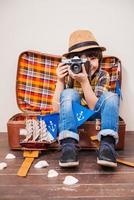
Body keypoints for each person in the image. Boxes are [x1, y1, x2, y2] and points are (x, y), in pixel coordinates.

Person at [52, 30, 119, 168]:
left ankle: (107, 146)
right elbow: (57, 110)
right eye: (81, 61)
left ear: (99, 59)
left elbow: (95, 108)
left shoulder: (103, 75)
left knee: (111, 97)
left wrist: (84, 82)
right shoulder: (70, 76)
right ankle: (69, 146)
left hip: (96, 115)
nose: (87, 64)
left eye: (92, 58)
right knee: (68, 93)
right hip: (74, 117)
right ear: (71, 62)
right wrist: (60, 80)